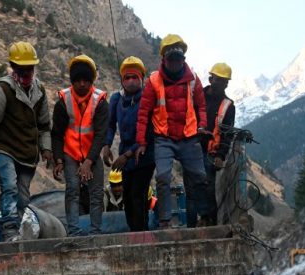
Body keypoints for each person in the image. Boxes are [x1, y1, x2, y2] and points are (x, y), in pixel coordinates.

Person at [0, 41, 51, 242]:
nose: (26, 73)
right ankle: (9, 230)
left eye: (29, 69)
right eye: (21, 69)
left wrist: (47, 149)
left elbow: (43, 126)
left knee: (23, 197)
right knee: (10, 187)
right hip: (4, 149)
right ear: (13, 67)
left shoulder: (39, 90)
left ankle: (18, 230)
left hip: (27, 154)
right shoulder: (2, 89)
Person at [136, 34, 210, 229]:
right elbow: (143, 113)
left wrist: (202, 126)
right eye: (171, 60)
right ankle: (165, 221)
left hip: (189, 137)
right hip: (164, 139)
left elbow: (201, 106)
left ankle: (205, 217)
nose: (175, 63)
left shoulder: (193, 79)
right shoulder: (153, 81)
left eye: (178, 60)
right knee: (162, 177)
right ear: (164, 60)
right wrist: (142, 142)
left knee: (200, 177)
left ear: (183, 59)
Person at [51, 55, 109, 236]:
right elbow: (57, 134)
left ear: (91, 81)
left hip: (91, 154)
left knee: (97, 193)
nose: (82, 84)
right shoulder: (63, 101)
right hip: (70, 153)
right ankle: (74, 232)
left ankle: (95, 232)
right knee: (72, 191)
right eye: (78, 80)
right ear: (73, 81)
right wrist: (58, 159)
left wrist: (89, 162)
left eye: (86, 80)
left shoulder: (100, 101)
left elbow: (100, 135)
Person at [104, 56, 155, 230]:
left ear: (142, 79)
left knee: (138, 194)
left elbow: (149, 131)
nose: (131, 81)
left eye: (135, 77)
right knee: (127, 197)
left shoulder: (148, 99)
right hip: (125, 156)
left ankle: (142, 234)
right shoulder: (116, 100)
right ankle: (134, 232)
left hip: (144, 155)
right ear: (122, 80)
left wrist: (127, 155)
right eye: (127, 77)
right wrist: (106, 145)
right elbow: (110, 125)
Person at [196, 62, 236, 226]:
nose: (222, 84)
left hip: (211, 152)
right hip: (193, 148)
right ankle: (196, 220)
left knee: (208, 186)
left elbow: (227, 134)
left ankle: (208, 220)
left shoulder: (228, 105)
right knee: (193, 186)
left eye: (225, 81)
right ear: (211, 78)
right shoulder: (198, 96)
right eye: (219, 80)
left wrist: (221, 155)